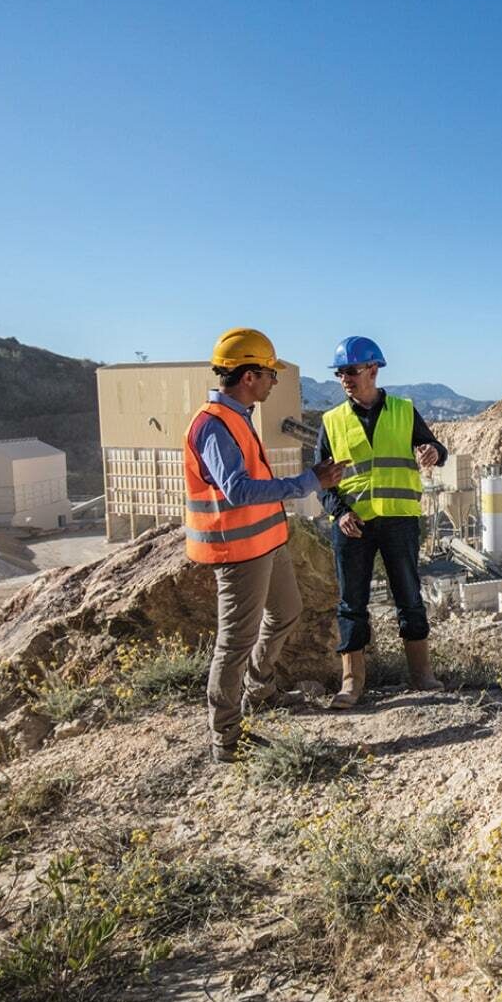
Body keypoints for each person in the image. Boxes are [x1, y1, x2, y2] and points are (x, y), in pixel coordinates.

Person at [183, 327, 344, 763]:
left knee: (287, 611)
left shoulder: (238, 417)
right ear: (249, 375)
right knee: (234, 643)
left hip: (266, 545)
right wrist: (309, 481)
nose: (274, 381)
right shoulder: (214, 426)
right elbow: (238, 490)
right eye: (270, 374)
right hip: (237, 554)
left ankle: (259, 688)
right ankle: (227, 737)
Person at [316, 335, 446, 706]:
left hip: (399, 520)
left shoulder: (404, 411)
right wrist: (339, 513)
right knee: (351, 603)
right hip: (352, 524)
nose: (345, 379)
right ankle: (351, 682)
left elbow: (438, 450)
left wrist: (432, 452)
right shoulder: (332, 421)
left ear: (373, 370)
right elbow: (321, 482)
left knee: (409, 596)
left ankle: (422, 675)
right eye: (340, 372)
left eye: (352, 371)